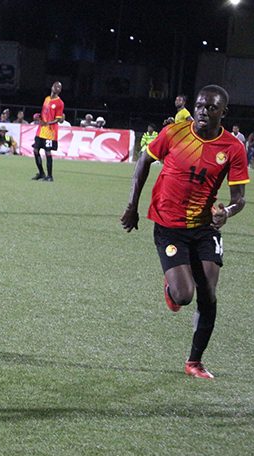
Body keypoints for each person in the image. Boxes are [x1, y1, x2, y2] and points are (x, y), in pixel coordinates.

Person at [120, 84, 248, 380]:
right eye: (200, 106)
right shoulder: (175, 132)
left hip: (205, 228)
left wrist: (225, 213)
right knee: (184, 295)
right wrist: (132, 206)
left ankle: (194, 361)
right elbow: (143, 162)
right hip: (169, 226)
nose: (203, 111)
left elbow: (239, 198)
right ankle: (172, 290)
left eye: (211, 108)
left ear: (223, 112)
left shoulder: (233, 148)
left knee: (209, 294)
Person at [31, 81, 64, 182]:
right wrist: (38, 117)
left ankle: (50, 176)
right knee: (35, 150)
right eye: (56, 86)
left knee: (47, 151)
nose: (57, 88)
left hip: (50, 131)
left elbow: (58, 119)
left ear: (60, 91)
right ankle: (41, 173)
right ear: (52, 87)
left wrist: (48, 123)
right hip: (41, 130)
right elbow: (44, 113)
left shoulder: (60, 103)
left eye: (59, 88)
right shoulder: (47, 99)